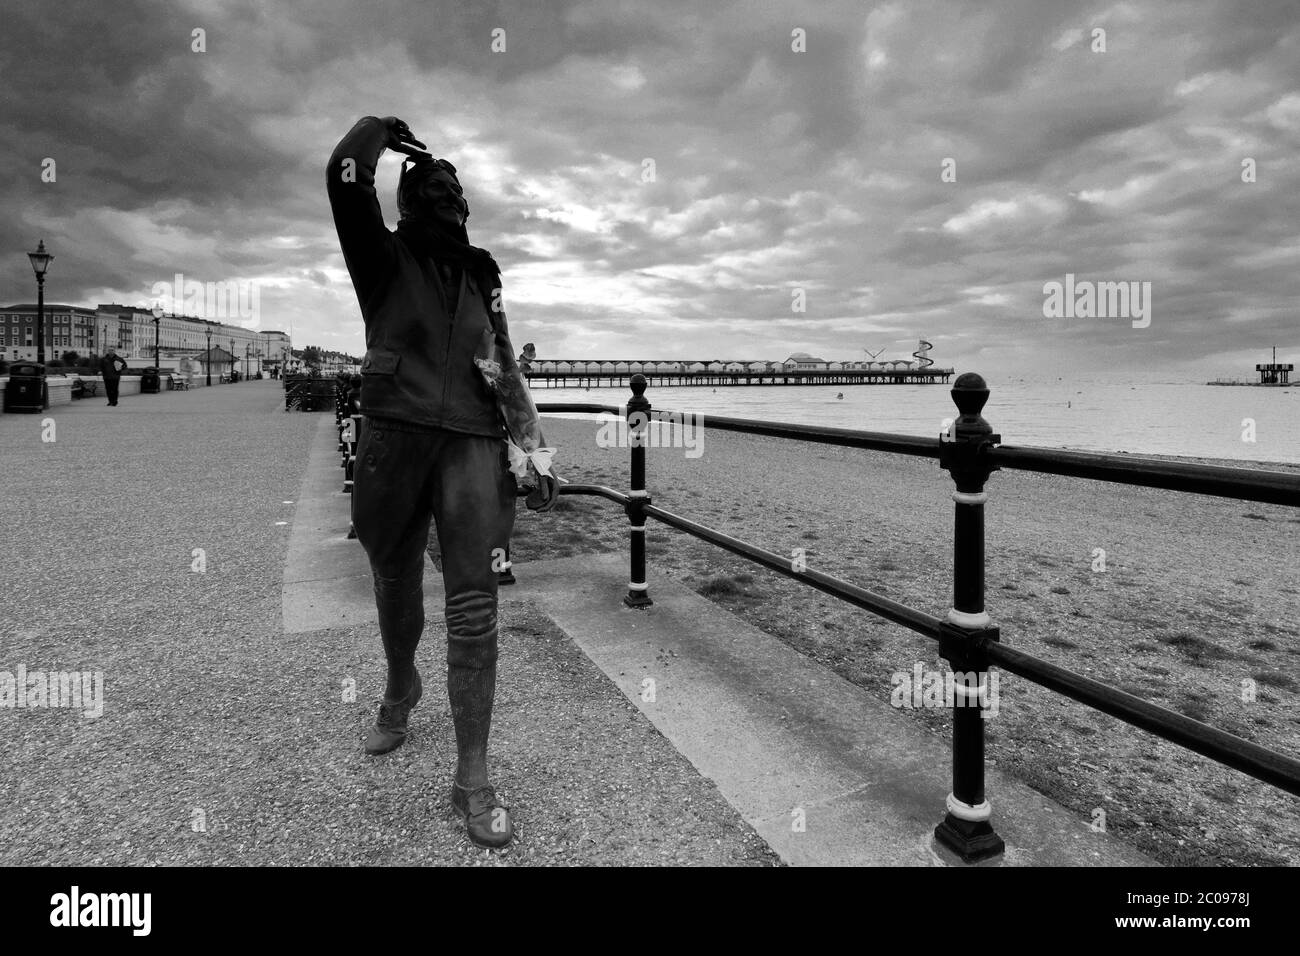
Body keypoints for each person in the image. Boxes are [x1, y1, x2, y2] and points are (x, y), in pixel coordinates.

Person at [328, 115, 560, 849]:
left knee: (474, 606)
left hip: (470, 445)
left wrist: (534, 445)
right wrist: (379, 130)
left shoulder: (483, 277)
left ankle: (471, 778)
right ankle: (402, 684)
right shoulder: (383, 259)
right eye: (430, 182)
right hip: (394, 440)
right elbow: (343, 173)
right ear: (406, 201)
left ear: (464, 207)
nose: (444, 188)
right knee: (394, 582)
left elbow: (504, 367)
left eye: (453, 185)